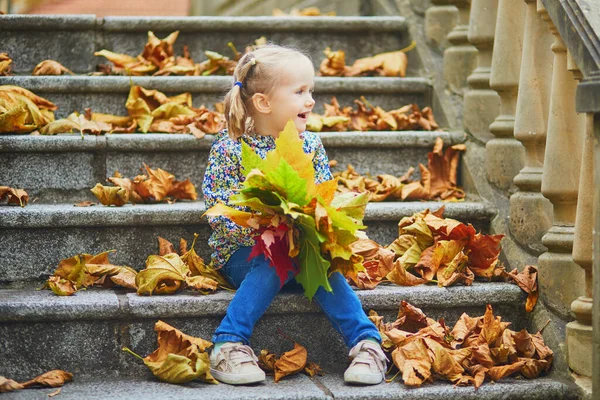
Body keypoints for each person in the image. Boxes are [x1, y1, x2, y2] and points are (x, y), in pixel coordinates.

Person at [202, 44, 388, 386]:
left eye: (311, 91)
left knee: (320, 263)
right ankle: (228, 343)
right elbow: (218, 210)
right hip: (244, 255)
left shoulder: (310, 145)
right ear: (263, 103)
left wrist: (317, 225)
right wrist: (266, 228)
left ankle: (366, 343)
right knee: (275, 257)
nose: (310, 100)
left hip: (301, 253)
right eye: (300, 91)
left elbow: (320, 197)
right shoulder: (230, 148)